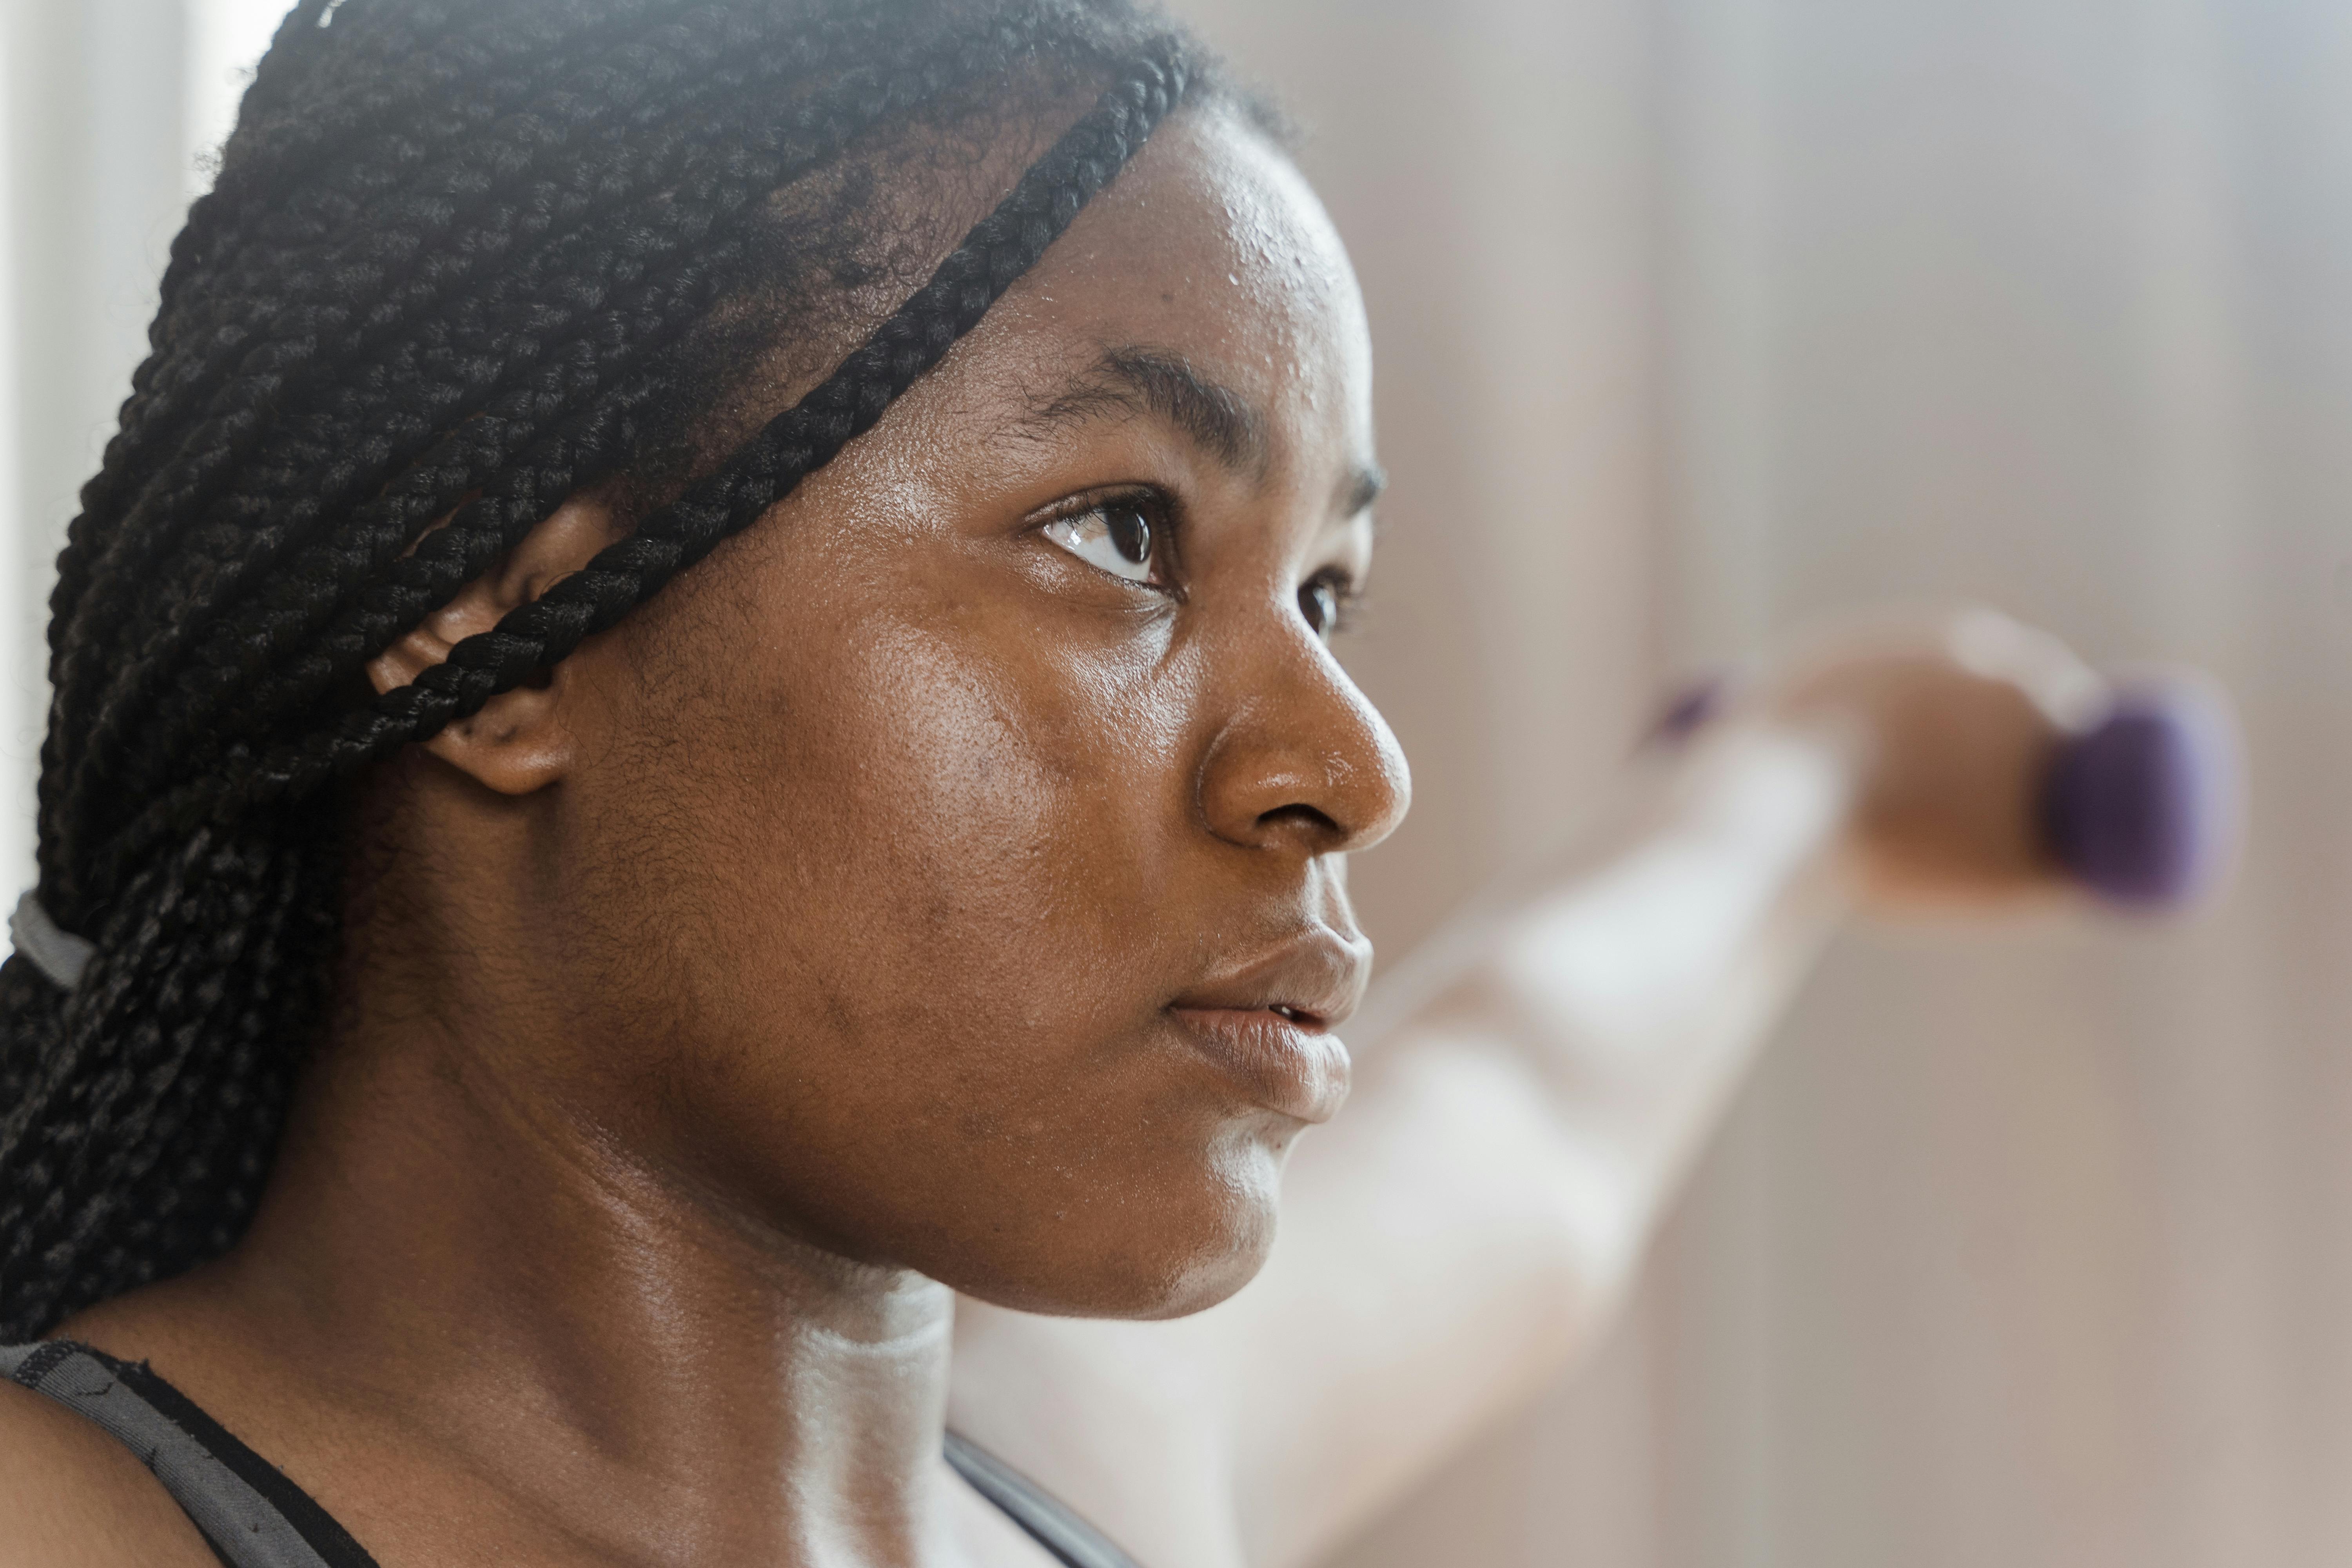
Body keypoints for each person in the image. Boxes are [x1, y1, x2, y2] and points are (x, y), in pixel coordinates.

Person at [0, 2, 2122, 1564]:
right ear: (500, 641)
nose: (1350, 765)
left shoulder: (1095, 1480)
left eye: (1329, 588)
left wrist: (1830, 767)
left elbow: (1530, 1123)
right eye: (1122, 532)